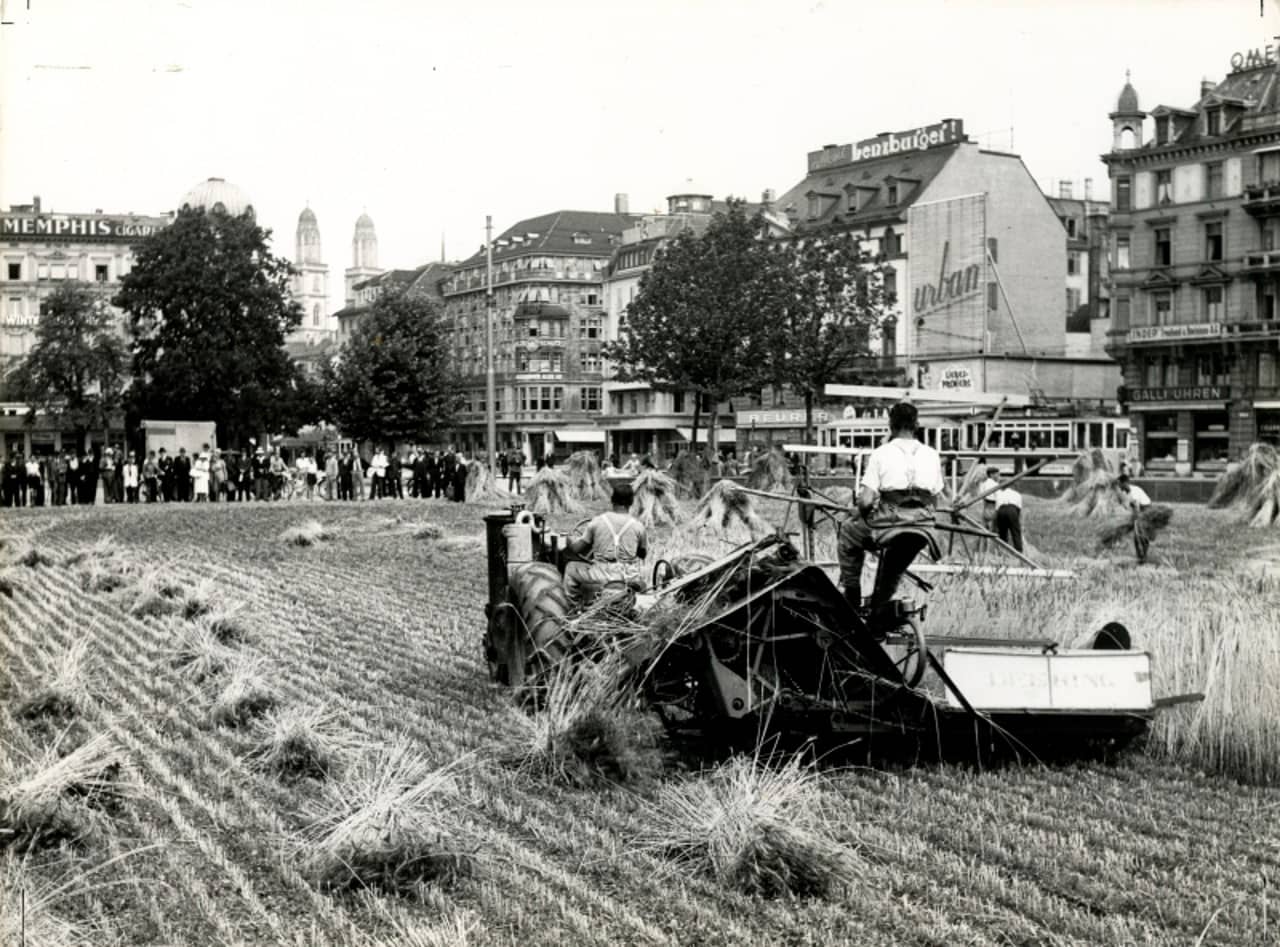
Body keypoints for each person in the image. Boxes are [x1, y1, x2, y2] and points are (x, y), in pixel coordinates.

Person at [837, 401, 944, 611]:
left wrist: (860, 513)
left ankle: (851, 595)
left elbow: (866, 501)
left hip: (889, 522)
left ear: (890, 425)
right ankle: (879, 611)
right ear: (917, 425)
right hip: (923, 527)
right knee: (893, 568)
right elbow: (935, 498)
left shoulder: (881, 453)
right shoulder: (932, 454)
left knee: (848, 532)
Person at [562, 483, 648, 605]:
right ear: (631, 502)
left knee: (570, 568)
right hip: (629, 575)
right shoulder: (639, 526)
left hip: (601, 573)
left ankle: (574, 605)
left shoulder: (597, 522)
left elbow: (577, 549)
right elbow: (642, 554)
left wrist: (569, 540)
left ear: (612, 500)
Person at [1118, 474, 1153, 563]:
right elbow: (1131, 506)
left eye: (1120, 484)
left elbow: (1137, 508)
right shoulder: (1127, 492)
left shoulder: (1134, 492)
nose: (1119, 487)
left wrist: (1134, 521)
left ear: (1125, 483)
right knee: (1137, 537)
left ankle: (1143, 557)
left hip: (1145, 509)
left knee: (1141, 535)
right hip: (1139, 510)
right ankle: (1140, 557)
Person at [992, 480, 1023, 553]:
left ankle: (1003, 549)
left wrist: (995, 523)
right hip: (1013, 510)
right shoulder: (1017, 494)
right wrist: (1018, 522)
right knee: (1015, 532)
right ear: (1012, 486)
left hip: (1001, 510)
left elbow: (997, 510)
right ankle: (1018, 550)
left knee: (1002, 532)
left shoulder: (1000, 494)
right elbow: (1019, 510)